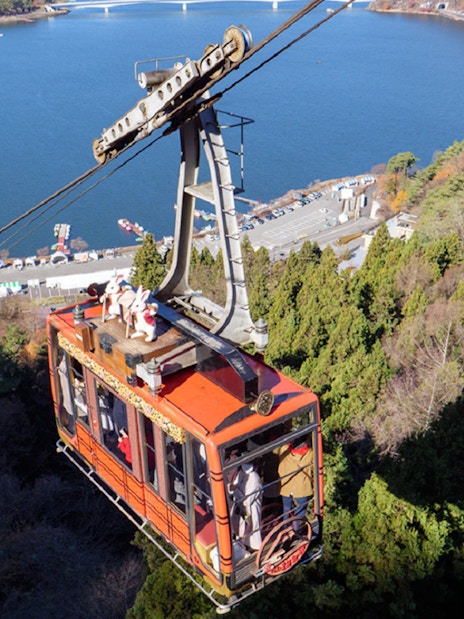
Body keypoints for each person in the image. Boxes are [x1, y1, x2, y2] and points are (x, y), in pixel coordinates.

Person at [278, 438, 313, 524]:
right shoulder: (310, 454)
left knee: (286, 510)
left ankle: (285, 527)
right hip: (302, 489)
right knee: (301, 510)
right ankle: (294, 528)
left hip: (286, 486)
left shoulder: (284, 450)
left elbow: (278, 451)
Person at [230, 461, 263, 551]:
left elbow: (248, 501)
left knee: (252, 530)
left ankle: (255, 548)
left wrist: (235, 491)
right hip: (239, 506)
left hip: (250, 509)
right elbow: (234, 485)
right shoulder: (241, 473)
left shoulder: (255, 480)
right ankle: (240, 543)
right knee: (238, 526)